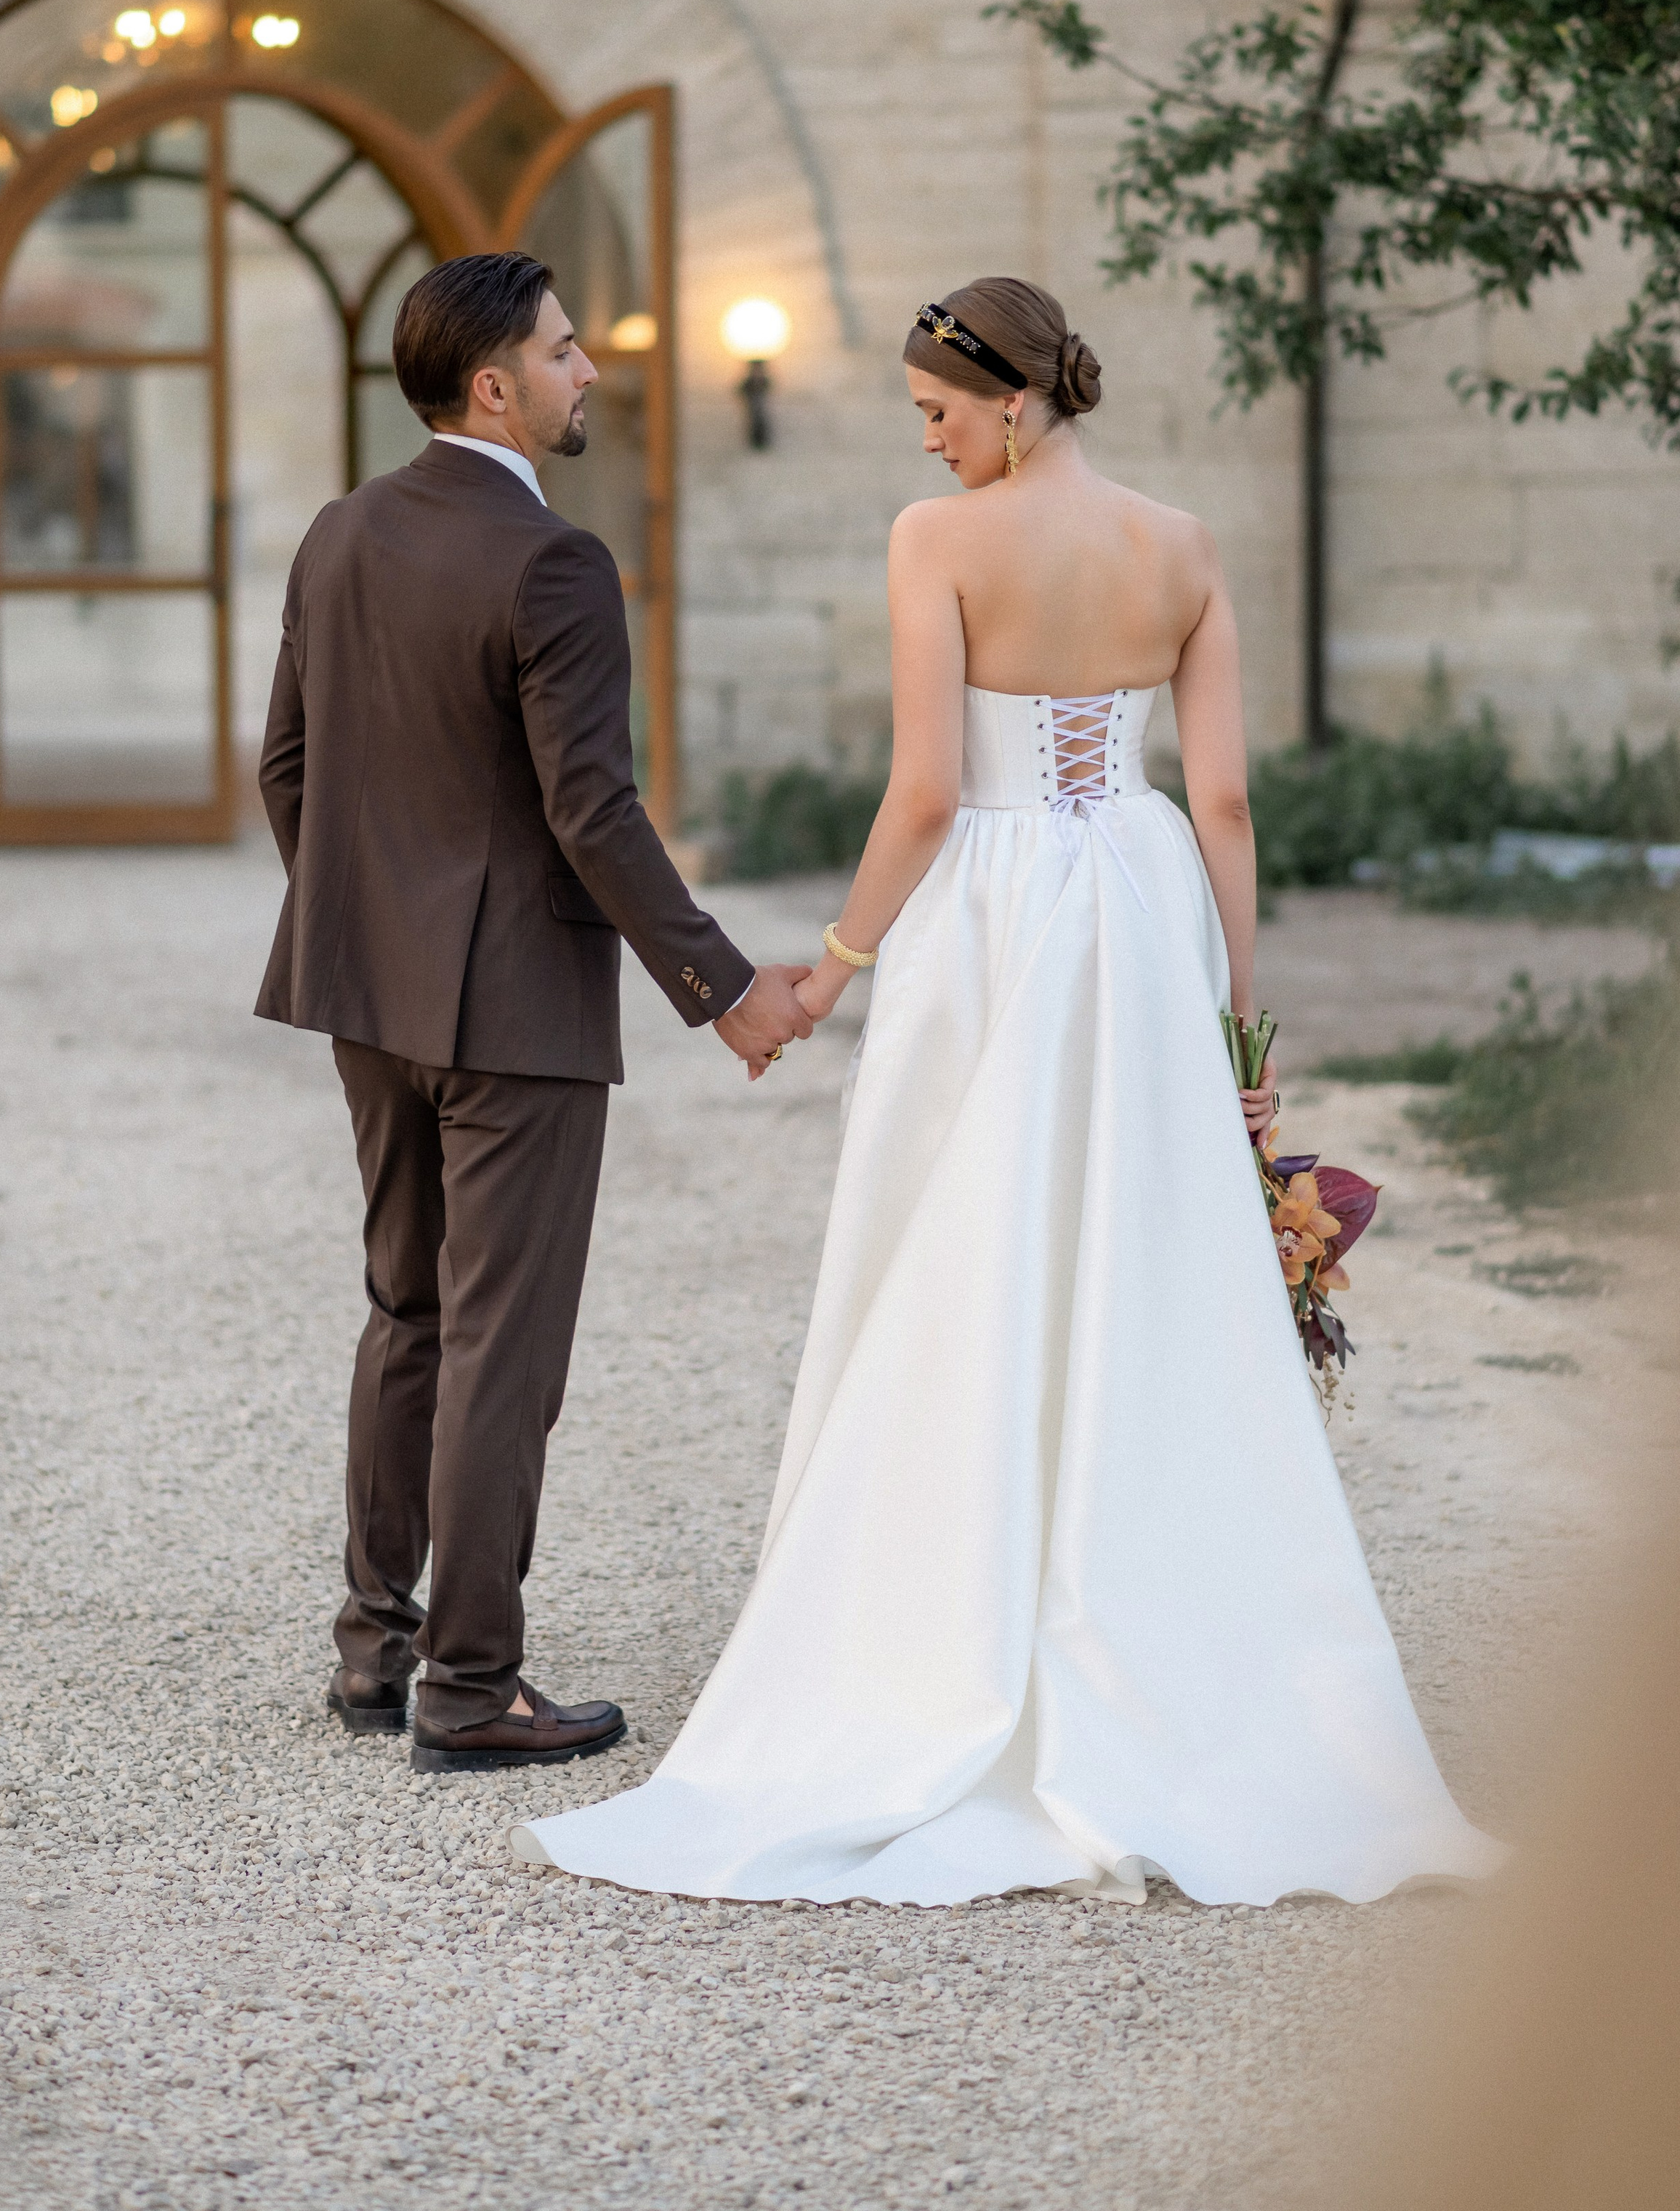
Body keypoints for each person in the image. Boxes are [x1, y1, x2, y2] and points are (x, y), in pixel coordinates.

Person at [514, 276, 1502, 1906]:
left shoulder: (936, 542)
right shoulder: (1178, 545)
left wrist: (830, 963)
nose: (926, 438)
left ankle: (946, 1620)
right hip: (1135, 890)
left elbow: (922, 788)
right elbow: (1229, 799)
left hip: (988, 910)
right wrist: (1240, 1031)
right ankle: (1158, 1646)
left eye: (939, 411)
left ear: (1017, 400)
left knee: (957, 1247)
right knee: (1134, 1253)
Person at [255, 251, 814, 1775]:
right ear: (493, 384)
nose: (587, 374)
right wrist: (725, 989)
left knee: (407, 1310)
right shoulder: (553, 563)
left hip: (367, 995)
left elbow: (285, 770)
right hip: (511, 1013)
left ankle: (377, 1647)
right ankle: (471, 1683)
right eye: (565, 354)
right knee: (502, 1339)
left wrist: (364, 920)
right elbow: (594, 810)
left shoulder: (341, 531)